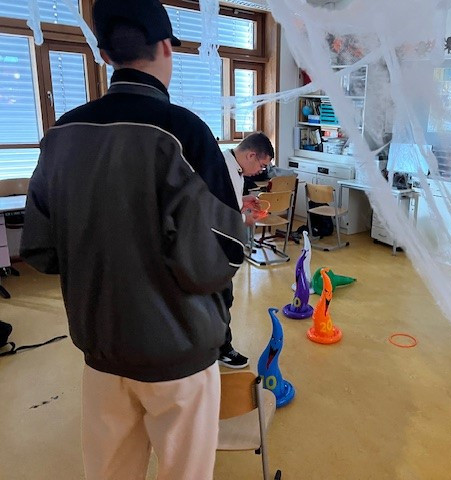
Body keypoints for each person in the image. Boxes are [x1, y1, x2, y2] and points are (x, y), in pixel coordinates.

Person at [19, 1, 246, 478]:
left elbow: (41, 249)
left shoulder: (61, 135)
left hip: (102, 350)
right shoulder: (184, 133)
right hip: (180, 355)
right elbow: (219, 258)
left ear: (104, 54)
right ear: (166, 46)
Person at [218, 132, 275, 368]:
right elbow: (216, 211)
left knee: (224, 297)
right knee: (221, 298)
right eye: (262, 165)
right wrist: (245, 219)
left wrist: (242, 201)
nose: (261, 171)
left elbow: (226, 201)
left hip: (223, 248)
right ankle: (222, 349)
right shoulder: (222, 169)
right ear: (251, 155)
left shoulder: (233, 168)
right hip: (215, 249)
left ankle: (220, 346)